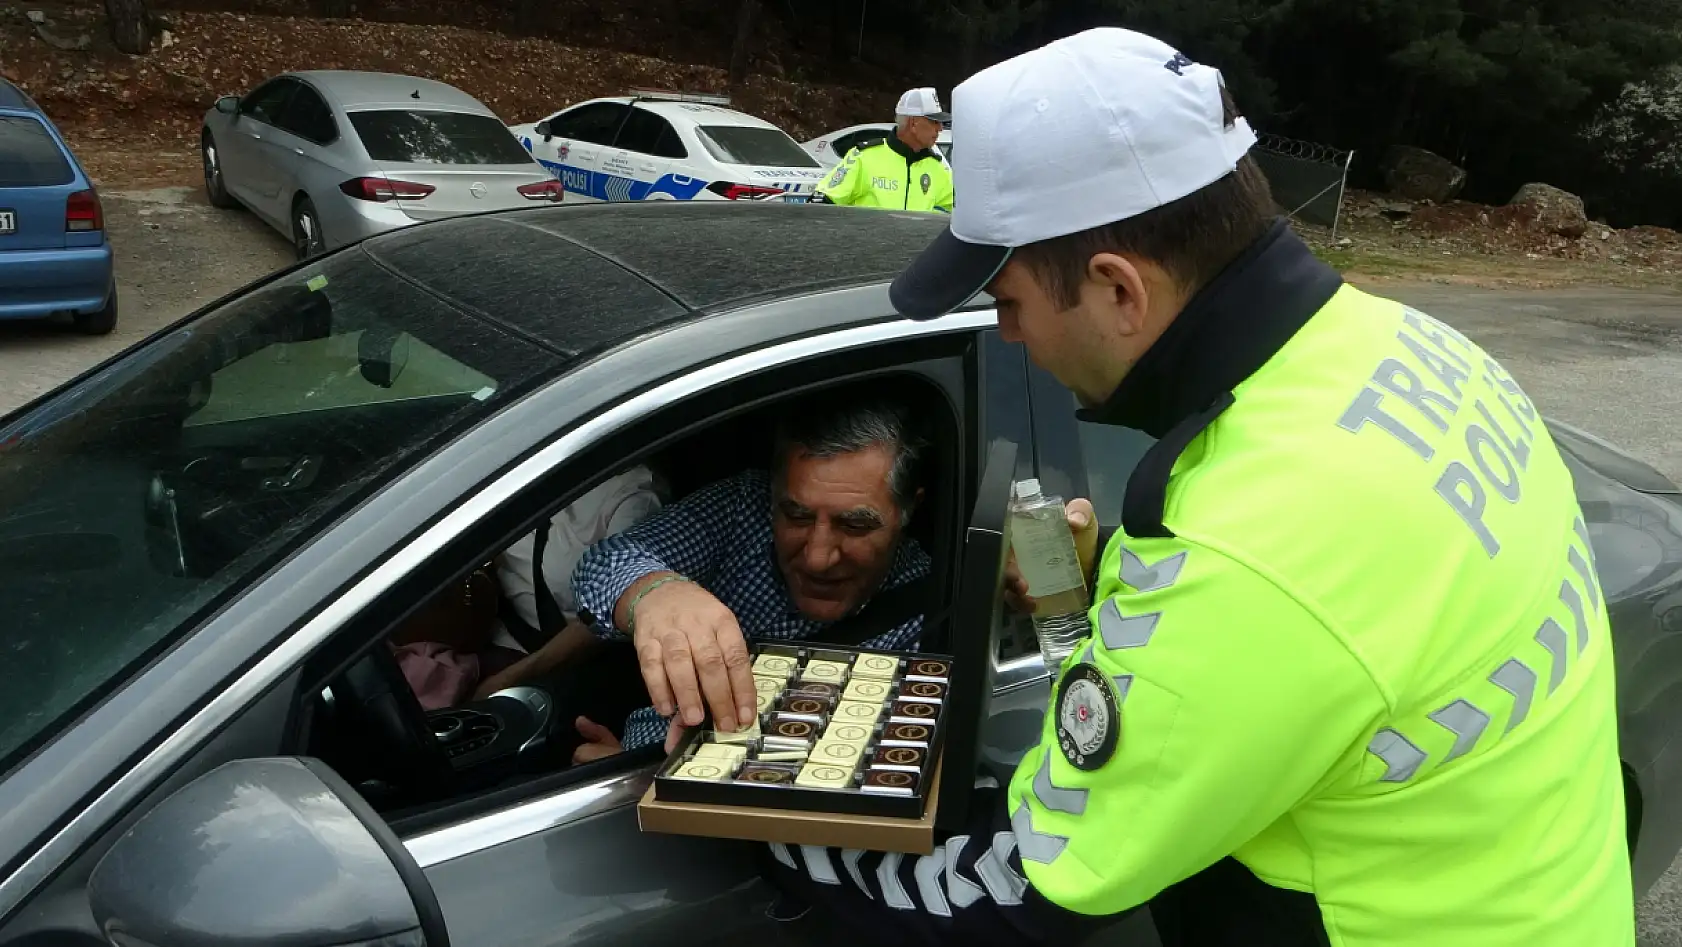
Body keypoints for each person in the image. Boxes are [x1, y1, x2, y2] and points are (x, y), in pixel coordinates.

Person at [762, 27, 1633, 947]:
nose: (1008, 337)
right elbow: (1348, 636)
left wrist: (749, 809)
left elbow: (1012, 894)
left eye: (1009, 302)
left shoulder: (1243, 544)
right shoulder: (1419, 350)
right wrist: (1109, 591)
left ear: (1118, 290)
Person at [568, 396, 932, 762]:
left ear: (907, 511)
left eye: (854, 525)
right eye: (797, 517)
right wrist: (656, 593)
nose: (818, 558)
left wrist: (640, 782)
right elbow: (604, 562)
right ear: (772, 496)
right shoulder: (740, 510)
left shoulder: (933, 619)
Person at [388, 465, 665, 712]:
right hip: (489, 643)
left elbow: (612, 610)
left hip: (569, 666)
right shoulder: (521, 473)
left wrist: (508, 679)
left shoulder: (632, 495)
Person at [812, 87, 954, 213]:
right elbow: (820, 205)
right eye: (934, 122)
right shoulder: (864, 158)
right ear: (913, 123)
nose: (940, 128)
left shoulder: (938, 168)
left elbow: (953, 216)